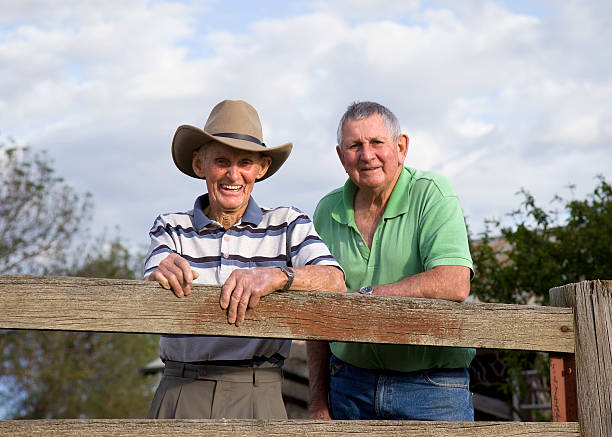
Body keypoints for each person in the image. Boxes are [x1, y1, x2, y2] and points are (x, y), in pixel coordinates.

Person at [144, 99, 346, 420]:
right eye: (221, 161)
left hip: (258, 389)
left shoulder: (289, 223)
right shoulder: (170, 227)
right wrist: (161, 272)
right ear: (200, 165)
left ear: (261, 168)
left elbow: (335, 281)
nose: (233, 174)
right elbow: (154, 273)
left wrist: (279, 276)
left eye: (245, 163)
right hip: (181, 387)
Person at [307, 101, 474, 421]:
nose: (366, 155)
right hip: (349, 386)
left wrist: (368, 297)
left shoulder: (432, 193)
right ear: (341, 157)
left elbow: (454, 281)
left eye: (376, 143)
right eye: (354, 145)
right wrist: (317, 400)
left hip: (430, 388)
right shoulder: (326, 210)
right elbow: (316, 310)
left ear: (401, 147)